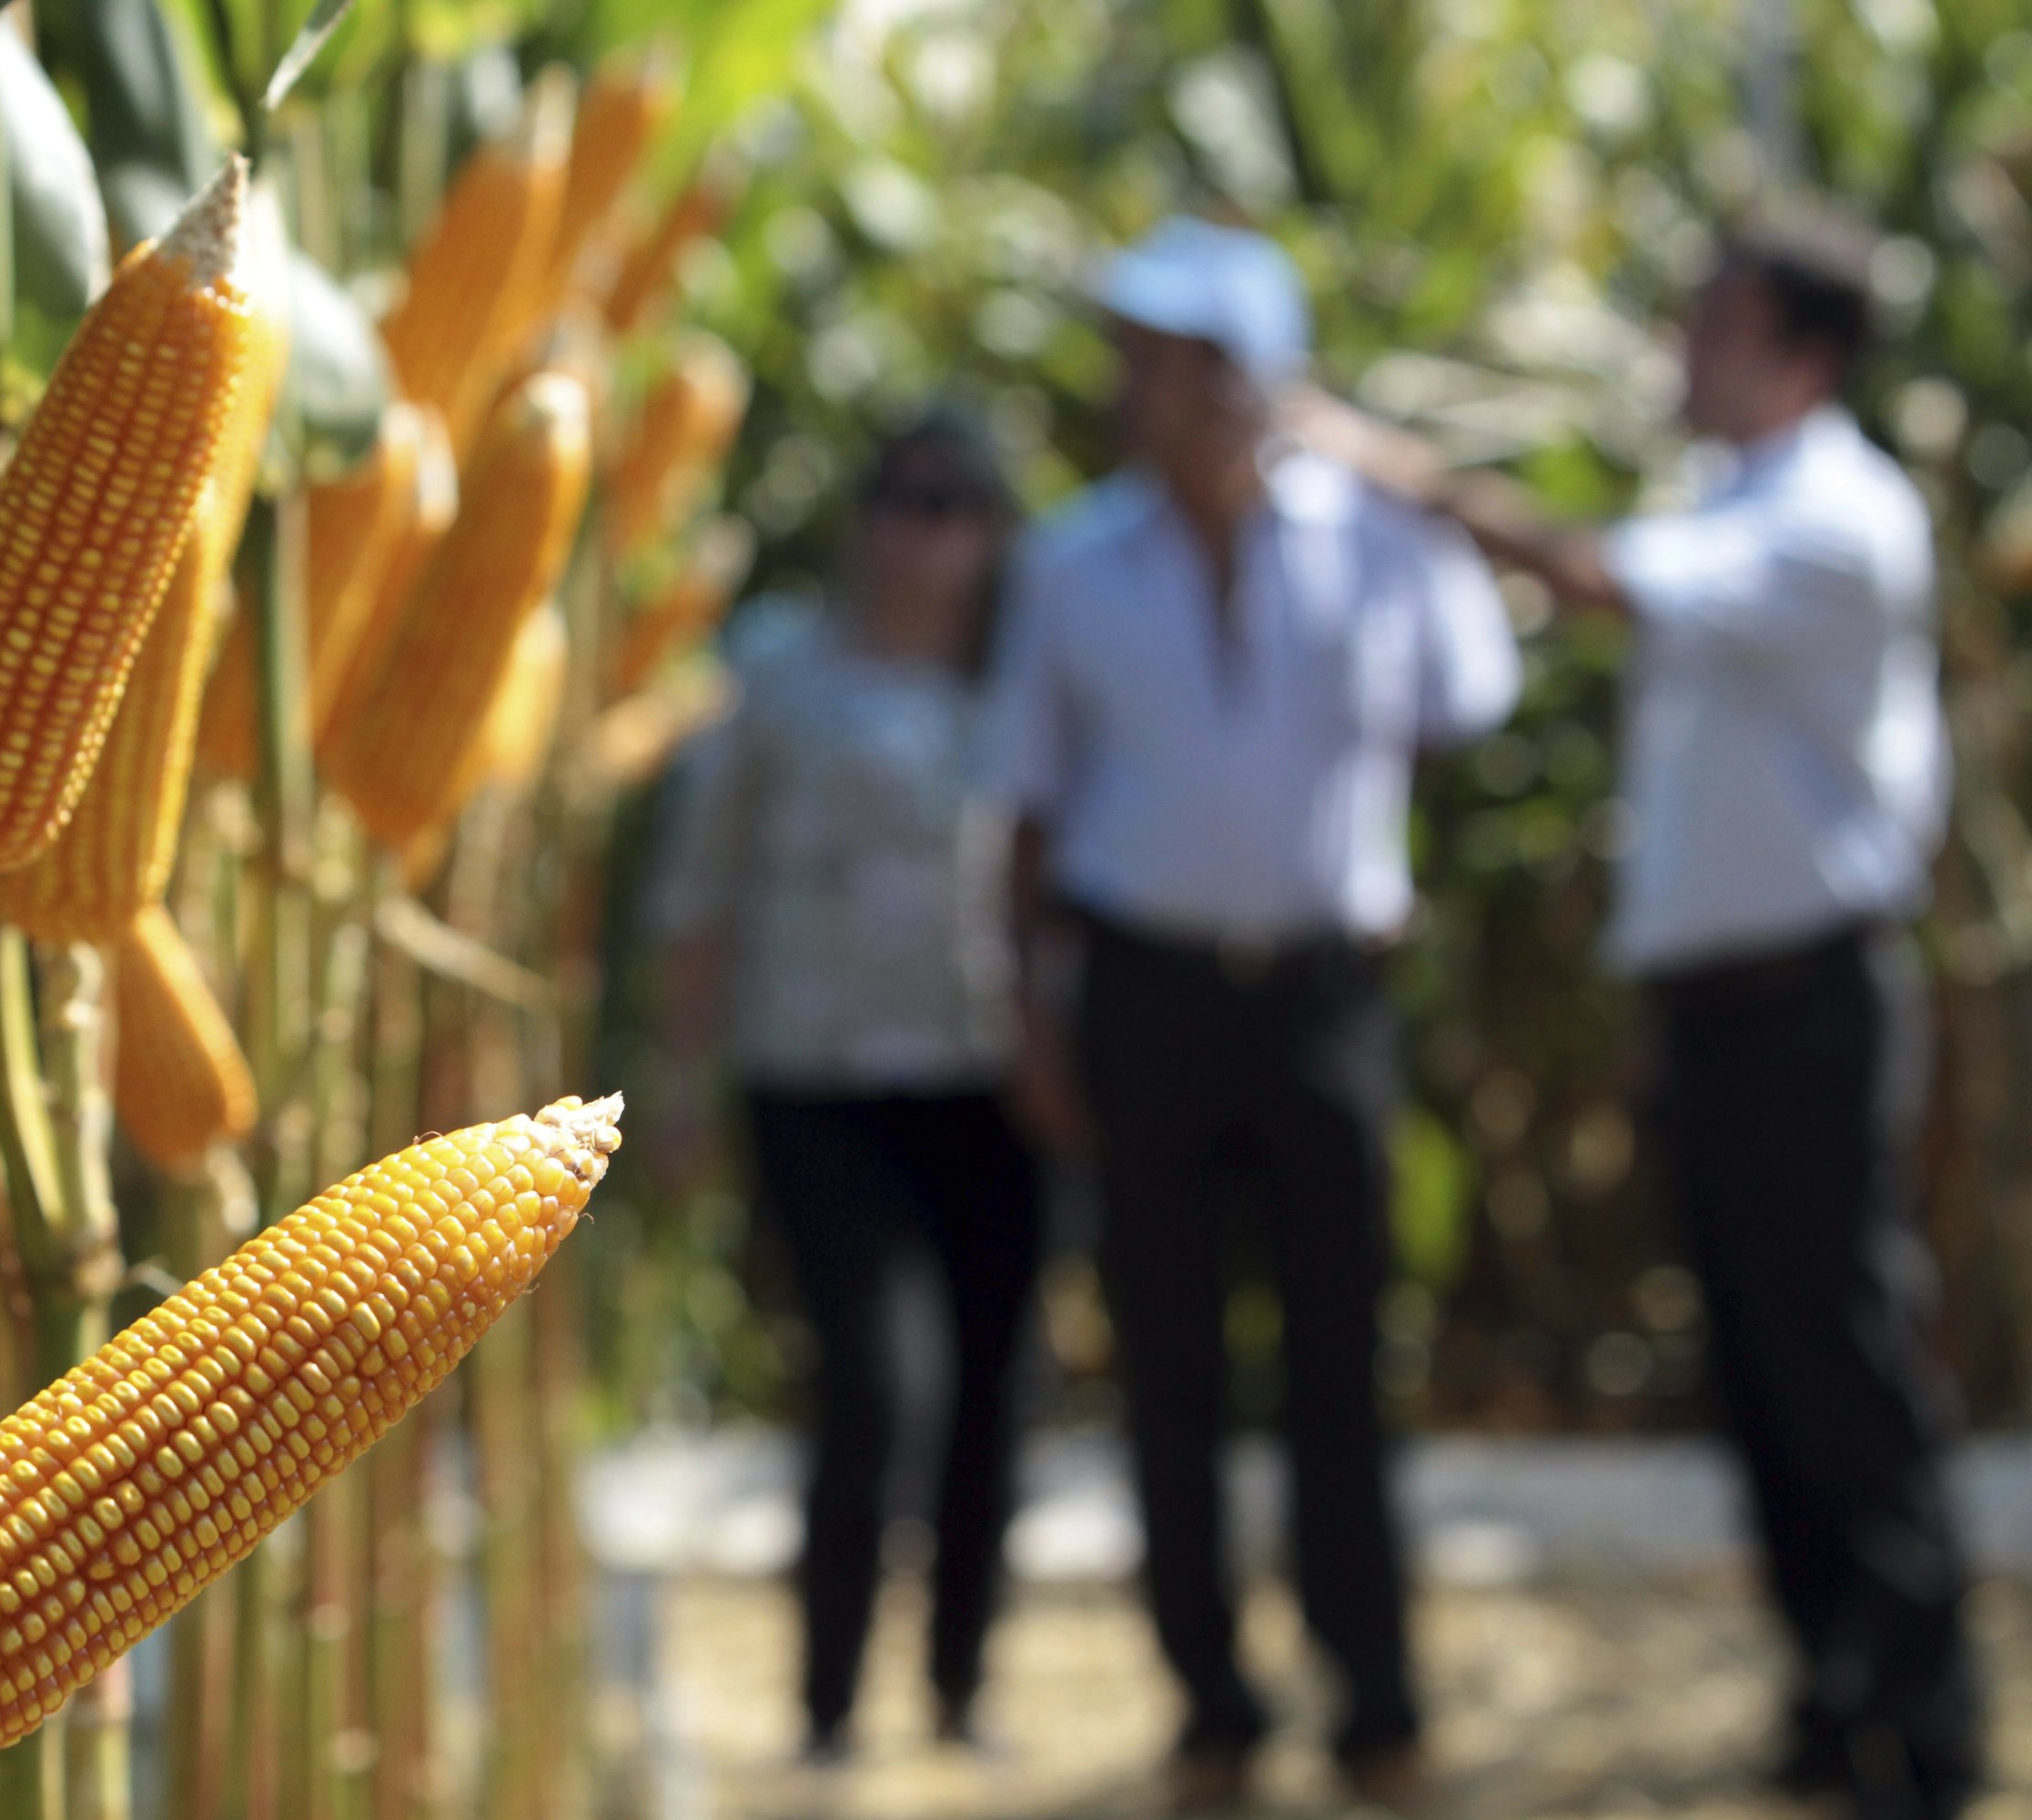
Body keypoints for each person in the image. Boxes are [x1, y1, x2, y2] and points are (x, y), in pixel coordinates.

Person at [1312, 207, 1980, 1820]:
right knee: (1760, 1368)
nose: (1681, 342)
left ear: (1801, 350)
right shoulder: (1738, 501)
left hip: (1811, 1004)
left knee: (1841, 1367)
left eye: (1715, 318)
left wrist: (1403, 473)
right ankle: (1832, 1704)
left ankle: (1928, 1732)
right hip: (1726, 1008)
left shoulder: (1831, 515)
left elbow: (1595, 577)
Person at [983, 217, 1521, 1812]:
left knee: (1344, 1365)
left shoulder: (1378, 541)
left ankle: (1378, 1706)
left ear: (1261, 383)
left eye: (1182, 363)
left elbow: (1460, 710)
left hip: (1321, 999)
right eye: (1140, 361)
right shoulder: (1074, 565)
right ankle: (1211, 1704)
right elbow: (1020, 815)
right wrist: (1030, 1017)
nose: (1147, 392)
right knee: (1171, 1366)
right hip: (1143, 998)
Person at [650, 409, 1042, 1761]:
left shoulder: (1031, 685)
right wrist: (678, 1077)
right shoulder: (774, 670)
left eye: (952, 506)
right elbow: (697, 890)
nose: (917, 533)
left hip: (999, 1086)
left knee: (994, 1387)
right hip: (815, 1078)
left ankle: (961, 1690)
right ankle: (826, 1705)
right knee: (876, 1387)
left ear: (994, 534)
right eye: (898, 499)